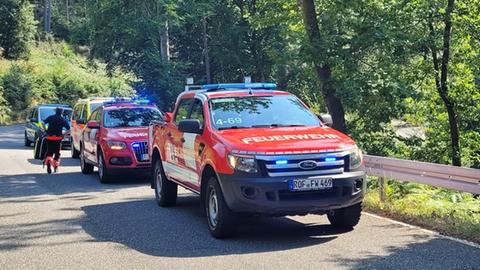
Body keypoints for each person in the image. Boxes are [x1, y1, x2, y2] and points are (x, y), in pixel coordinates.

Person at [43, 107, 70, 173]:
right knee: (57, 153)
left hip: (49, 137)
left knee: (49, 151)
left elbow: (43, 123)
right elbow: (69, 129)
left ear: (55, 111)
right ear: (62, 112)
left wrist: (45, 130)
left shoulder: (50, 117)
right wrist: (64, 135)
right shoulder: (63, 119)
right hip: (58, 139)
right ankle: (55, 167)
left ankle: (48, 164)